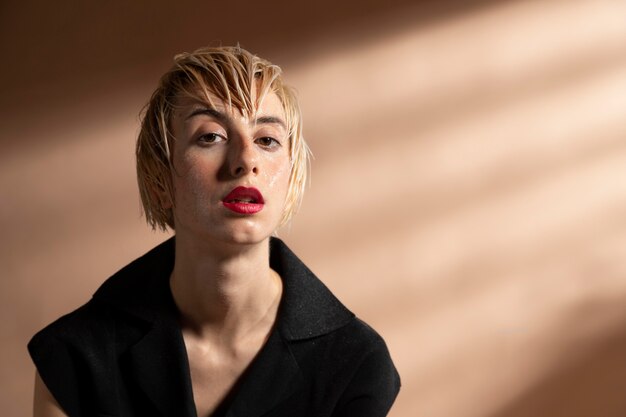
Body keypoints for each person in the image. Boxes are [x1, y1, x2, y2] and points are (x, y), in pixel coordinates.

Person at [29, 45, 401, 417]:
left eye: (267, 139)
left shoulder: (355, 364)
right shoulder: (75, 357)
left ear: (290, 176)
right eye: (211, 137)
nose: (245, 161)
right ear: (160, 177)